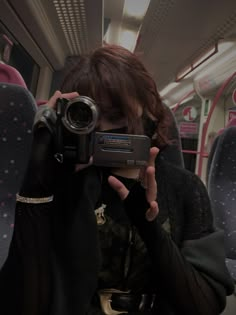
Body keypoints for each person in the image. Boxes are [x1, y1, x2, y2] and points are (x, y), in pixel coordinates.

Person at [0, 45, 234, 315]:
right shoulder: (59, 186)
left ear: (150, 114)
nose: (101, 131)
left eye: (115, 115)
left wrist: (151, 229)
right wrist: (34, 190)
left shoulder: (186, 189)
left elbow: (204, 305)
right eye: (85, 117)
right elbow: (20, 304)